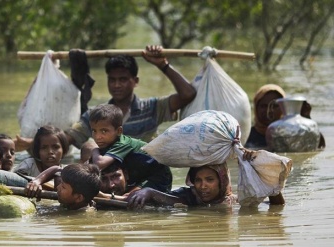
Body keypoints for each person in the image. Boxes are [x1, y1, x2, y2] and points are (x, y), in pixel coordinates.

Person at [14, 45, 196, 150]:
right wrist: (33, 143)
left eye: (123, 80)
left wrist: (163, 64)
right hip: (110, 177)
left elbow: (187, 94)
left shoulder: (153, 107)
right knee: (88, 148)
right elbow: (66, 139)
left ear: (136, 81)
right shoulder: (95, 115)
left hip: (140, 170)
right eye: (112, 80)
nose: (117, 85)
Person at [127, 150, 286, 209]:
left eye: (210, 179)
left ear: (222, 180)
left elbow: (277, 207)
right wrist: (148, 192)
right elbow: (168, 199)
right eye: (198, 180)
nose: (203, 186)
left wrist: (261, 172)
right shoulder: (190, 197)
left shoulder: (237, 201)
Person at [83, 104, 173, 199]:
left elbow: (99, 163)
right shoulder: (109, 143)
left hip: (159, 177)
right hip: (142, 173)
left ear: (119, 131)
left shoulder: (122, 144)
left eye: (104, 131)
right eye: (94, 131)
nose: (98, 136)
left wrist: (94, 150)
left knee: (132, 198)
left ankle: (106, 197)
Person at [245, 84, 325, 149]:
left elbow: (320, 147)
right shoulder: (247, 135)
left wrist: (306, 118)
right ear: (256, 107)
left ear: (284, 106)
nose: (269, 111)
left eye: (275, 106)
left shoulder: (292, 132)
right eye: (263, 106)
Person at [25, 163, 101, 210]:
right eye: (61, 183)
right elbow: (56, 169)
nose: (58, 187)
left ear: (79, 198)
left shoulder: (83, 217)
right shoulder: (69, 196)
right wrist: (36, 181)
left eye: (63, 187)